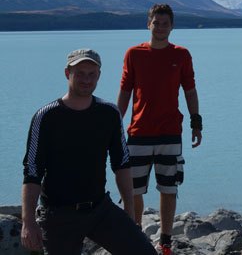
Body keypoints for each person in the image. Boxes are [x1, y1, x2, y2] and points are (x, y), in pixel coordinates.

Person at [21, 49, 156, 255]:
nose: (86, 79)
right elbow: (32, 172)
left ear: (99, 76)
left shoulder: (109, 113)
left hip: (100, 209)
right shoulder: (46, 117)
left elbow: (121, 164)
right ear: (68, 74)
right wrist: (28, 222)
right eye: (80, 73)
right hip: (59, 214)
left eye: (92, 74)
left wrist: (130, 214)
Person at [117, 3, 203, 255]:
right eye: (157, 22)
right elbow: (124, 91)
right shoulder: (134, 54)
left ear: (172, 26)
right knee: (133, 190)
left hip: (170, 133)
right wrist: (114, 123)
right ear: (149, 24)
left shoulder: (181, 55)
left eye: (166, 23)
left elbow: (190, 90)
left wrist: (195, 122)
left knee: (168, 189)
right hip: (138, 132)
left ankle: (165, 241)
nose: (161, 27)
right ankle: (135, 237)